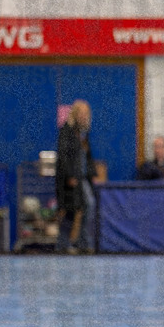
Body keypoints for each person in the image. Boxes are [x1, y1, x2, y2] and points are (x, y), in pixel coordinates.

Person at [55, 100, 96, 254]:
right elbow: (63, 156)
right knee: (70, 210)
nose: (84, 116)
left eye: (87, 114)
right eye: (82, 113)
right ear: (75, 114)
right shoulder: (67, 131)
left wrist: (92, 175)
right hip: (71, 180)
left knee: (86, 206)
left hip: (83, 178)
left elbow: (87, 157)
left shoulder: (83, 134)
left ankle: (81, 241)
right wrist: (69, 176)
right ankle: (64, 244)